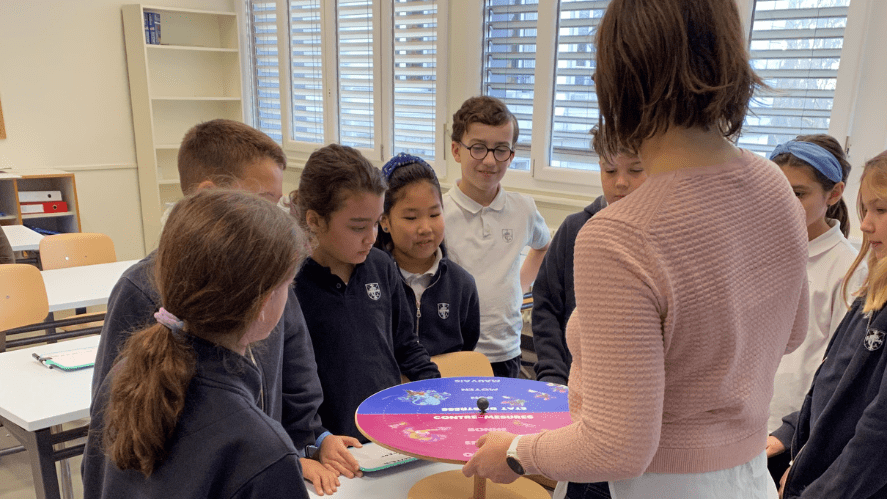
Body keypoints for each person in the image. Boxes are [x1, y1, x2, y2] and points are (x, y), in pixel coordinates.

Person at [462, 1, 809, 498]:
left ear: (618, 80)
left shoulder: (619, 235)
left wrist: (517, 452)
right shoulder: (774, 186)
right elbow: (790, 332)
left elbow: (617, 446)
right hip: (747, 478)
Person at [87, 119, 359, 497]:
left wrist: (312, 438)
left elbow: (297, 372)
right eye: (262, 203)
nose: (274, 216)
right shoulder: (260, 449)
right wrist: (276, 455)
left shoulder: (258, 444)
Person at [83, 189, 309, 499]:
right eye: (288, 285)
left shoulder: (122, 376)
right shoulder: (261, 449)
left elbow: (93, 481)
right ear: (264, 303)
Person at [290, 144, 440, 442]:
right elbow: (290, 384)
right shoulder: (292, 284)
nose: (372, 237)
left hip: (388, 430)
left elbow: (406, 345)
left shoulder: (381, 265)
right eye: (358, 227)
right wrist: (317, 439)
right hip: (331, 443)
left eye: (375, 223)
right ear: (314, 221)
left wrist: (439, 392)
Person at [778, 151, 887, 498]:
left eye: (881, 210)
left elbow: (877, 430)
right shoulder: (872, 291)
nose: (866, 225)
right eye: (865, 210)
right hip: (812, 466)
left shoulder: (850, 272)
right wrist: (792, 436)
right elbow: (835, 380)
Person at [764, 134, 864, 484]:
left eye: (799, 193)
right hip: (742, 427)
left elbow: (840, 375)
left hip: (789, 440)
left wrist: (793, 436)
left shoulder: (850, 269)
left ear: (834, 194)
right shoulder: (758, 253)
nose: (784, 203)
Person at [443, 95, 551, 378]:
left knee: (502, 422)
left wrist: (520, 285)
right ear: (456, 150)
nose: (490, 160)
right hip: (454, 353)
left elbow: (543, 246)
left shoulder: (523, 209)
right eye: (478, 148)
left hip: (506, 351)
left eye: (501, 150)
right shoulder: (438, 214)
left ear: (512, 155)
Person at [532, 126, 647, 387]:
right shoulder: (574, 229)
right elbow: (547, 305)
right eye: (610, 170)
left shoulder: (663, 236)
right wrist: (552, 374)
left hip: (634, 388)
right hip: (572, 383)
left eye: (636, 170)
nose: (620, 182)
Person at [375, 152, 480, 357]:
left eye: (434, 214)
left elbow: (466, 349)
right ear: (384, 220)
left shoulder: (462, 285)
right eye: (411, 217)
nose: (425, 228)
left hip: (443, 385)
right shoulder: (371, 281)